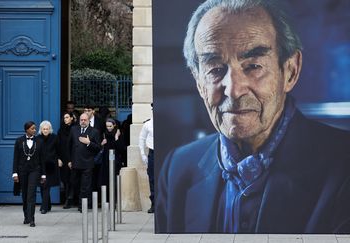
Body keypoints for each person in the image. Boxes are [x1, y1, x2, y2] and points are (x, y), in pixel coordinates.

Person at [156, 0, 350, 234]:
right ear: (199, 82)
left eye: (254, 66)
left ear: (290, 71)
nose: (234, 89)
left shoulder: (343, 165)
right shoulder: (178, 168)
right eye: (215, 69)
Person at [12, 121, 46, 227]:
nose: (34, 130)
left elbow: (42, 159)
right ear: (26, 130)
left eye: (35, 128)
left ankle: (32, 219)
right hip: (22, 171)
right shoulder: (19, 141)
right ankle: (26, 216)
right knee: (25, 194)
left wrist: (43, 175)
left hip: (35, 170)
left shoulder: (39, 141)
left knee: (31, 194)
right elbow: (15, 158)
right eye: (32, 128)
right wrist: (14, 173)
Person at [67, 113, 101, 212]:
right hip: (75, 162)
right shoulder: (74, 129)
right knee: (75, 184)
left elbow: (98, 147)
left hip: (87, 163)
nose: (83, 121)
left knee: (85, 186)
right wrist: (69, 160)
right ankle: (79, 202)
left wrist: (89, 143)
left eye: (85, 120)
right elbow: (69, 146)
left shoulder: (94, 131)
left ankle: (83, 206)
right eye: (81, 120)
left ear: (88, 121)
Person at [99, 118, 126, 201]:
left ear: (114, 125)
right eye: (107, 126)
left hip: (116, 161)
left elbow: (122, 149)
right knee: (105, 181)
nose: (108, 128)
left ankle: (115, 199)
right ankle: (107, 200)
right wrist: (102, 144)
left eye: (110, 126)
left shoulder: (118, 134)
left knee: (115, 181)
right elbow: (99, 148)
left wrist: (116, 138)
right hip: (105, 161)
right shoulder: (104, 134)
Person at [37, 120, 60, 214]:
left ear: (50, 129)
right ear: (41, 130)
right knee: (43, 186)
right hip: (40, 166)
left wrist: (59, 159)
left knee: (46, 185)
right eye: (44, 129)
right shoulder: (37, 138)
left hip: (51, 165)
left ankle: (44, 207)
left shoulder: (55, 138)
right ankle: (48, 205)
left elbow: (59, 150)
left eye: (47, 129)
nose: (45, 130)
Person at [57, 112, 76, 208]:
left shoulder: (76, 128)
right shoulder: (61, 130)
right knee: (65, 180)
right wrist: (58, 158)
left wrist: (72, 160)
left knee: (73, 179)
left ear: (72, 118)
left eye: (67, 117)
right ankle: (67, 199)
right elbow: (58, 145)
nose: (65, 119)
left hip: (73, 158)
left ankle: (72, 199)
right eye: (64, 117)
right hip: (63, 158)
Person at [139, 106, 154, 213]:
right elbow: (142, 139)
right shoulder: (148, 124)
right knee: (152, 178)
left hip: (164, 153)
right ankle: (154, 203)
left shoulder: (166, 122)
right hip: (153, 153)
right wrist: (143, 154)